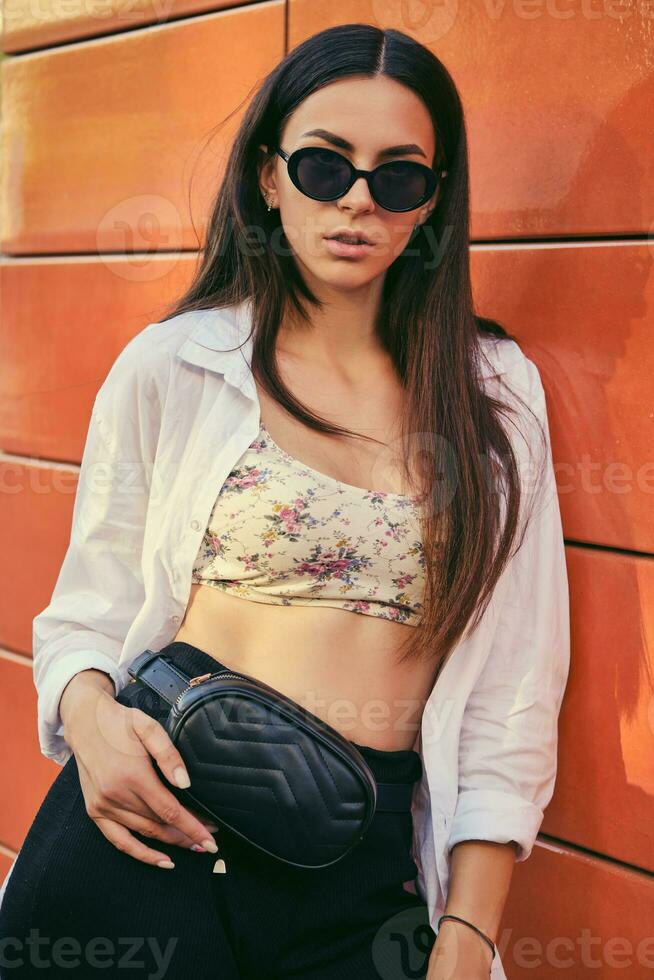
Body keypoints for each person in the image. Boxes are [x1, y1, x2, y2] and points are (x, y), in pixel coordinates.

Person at [0, 22, 570, 980]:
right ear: (269, 177)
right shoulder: (179, 365)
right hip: (155, 829)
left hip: (363, 876)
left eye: (398, 177)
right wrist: (93, 729)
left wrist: (471, 930)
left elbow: (517, 684)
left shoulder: (497, 395)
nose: (357, 200)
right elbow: (84, 615)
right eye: (321, 165)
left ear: (432, 202)